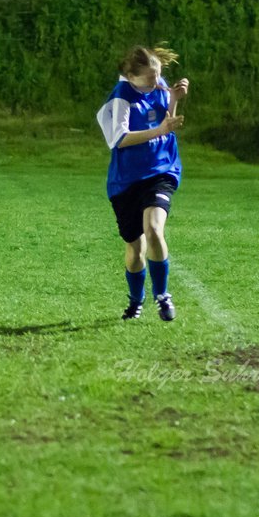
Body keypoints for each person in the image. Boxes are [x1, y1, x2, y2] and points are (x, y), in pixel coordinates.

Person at [96, 45, 190, 322]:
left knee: (153, 229)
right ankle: (136, 300)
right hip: (125, 182)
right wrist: (160, 130)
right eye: (150, 78)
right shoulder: (120, 100)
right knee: (135, 248)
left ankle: (162, 295)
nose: (156, 81)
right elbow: (118, 139)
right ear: (131, 76)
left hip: (162, 170)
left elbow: (164, 120)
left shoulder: (156, 84)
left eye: (158, 75)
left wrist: (174, 99)